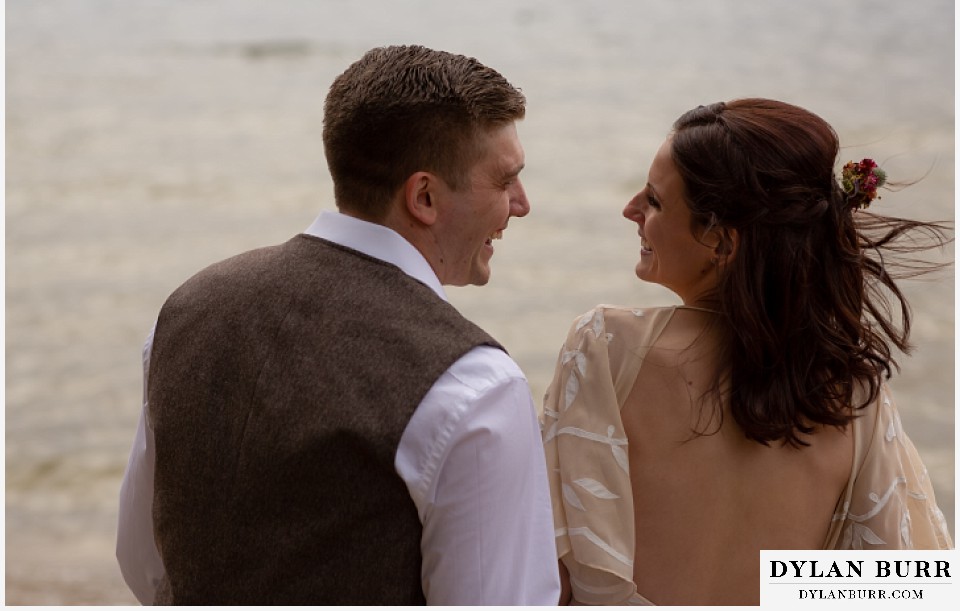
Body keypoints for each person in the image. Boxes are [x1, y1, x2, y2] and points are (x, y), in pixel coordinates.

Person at [116, 45, 560, 605]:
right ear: (424, 196)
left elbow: (143, 566)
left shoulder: (185, 312)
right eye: (505, 181)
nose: (521, 205)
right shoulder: (475, 387)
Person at [541, 98, 953, 605]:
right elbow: (903, 588)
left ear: (722, 241)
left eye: (653, 200)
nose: (630, 210)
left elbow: (545, 571)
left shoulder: (606, 349)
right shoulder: (852, 399)